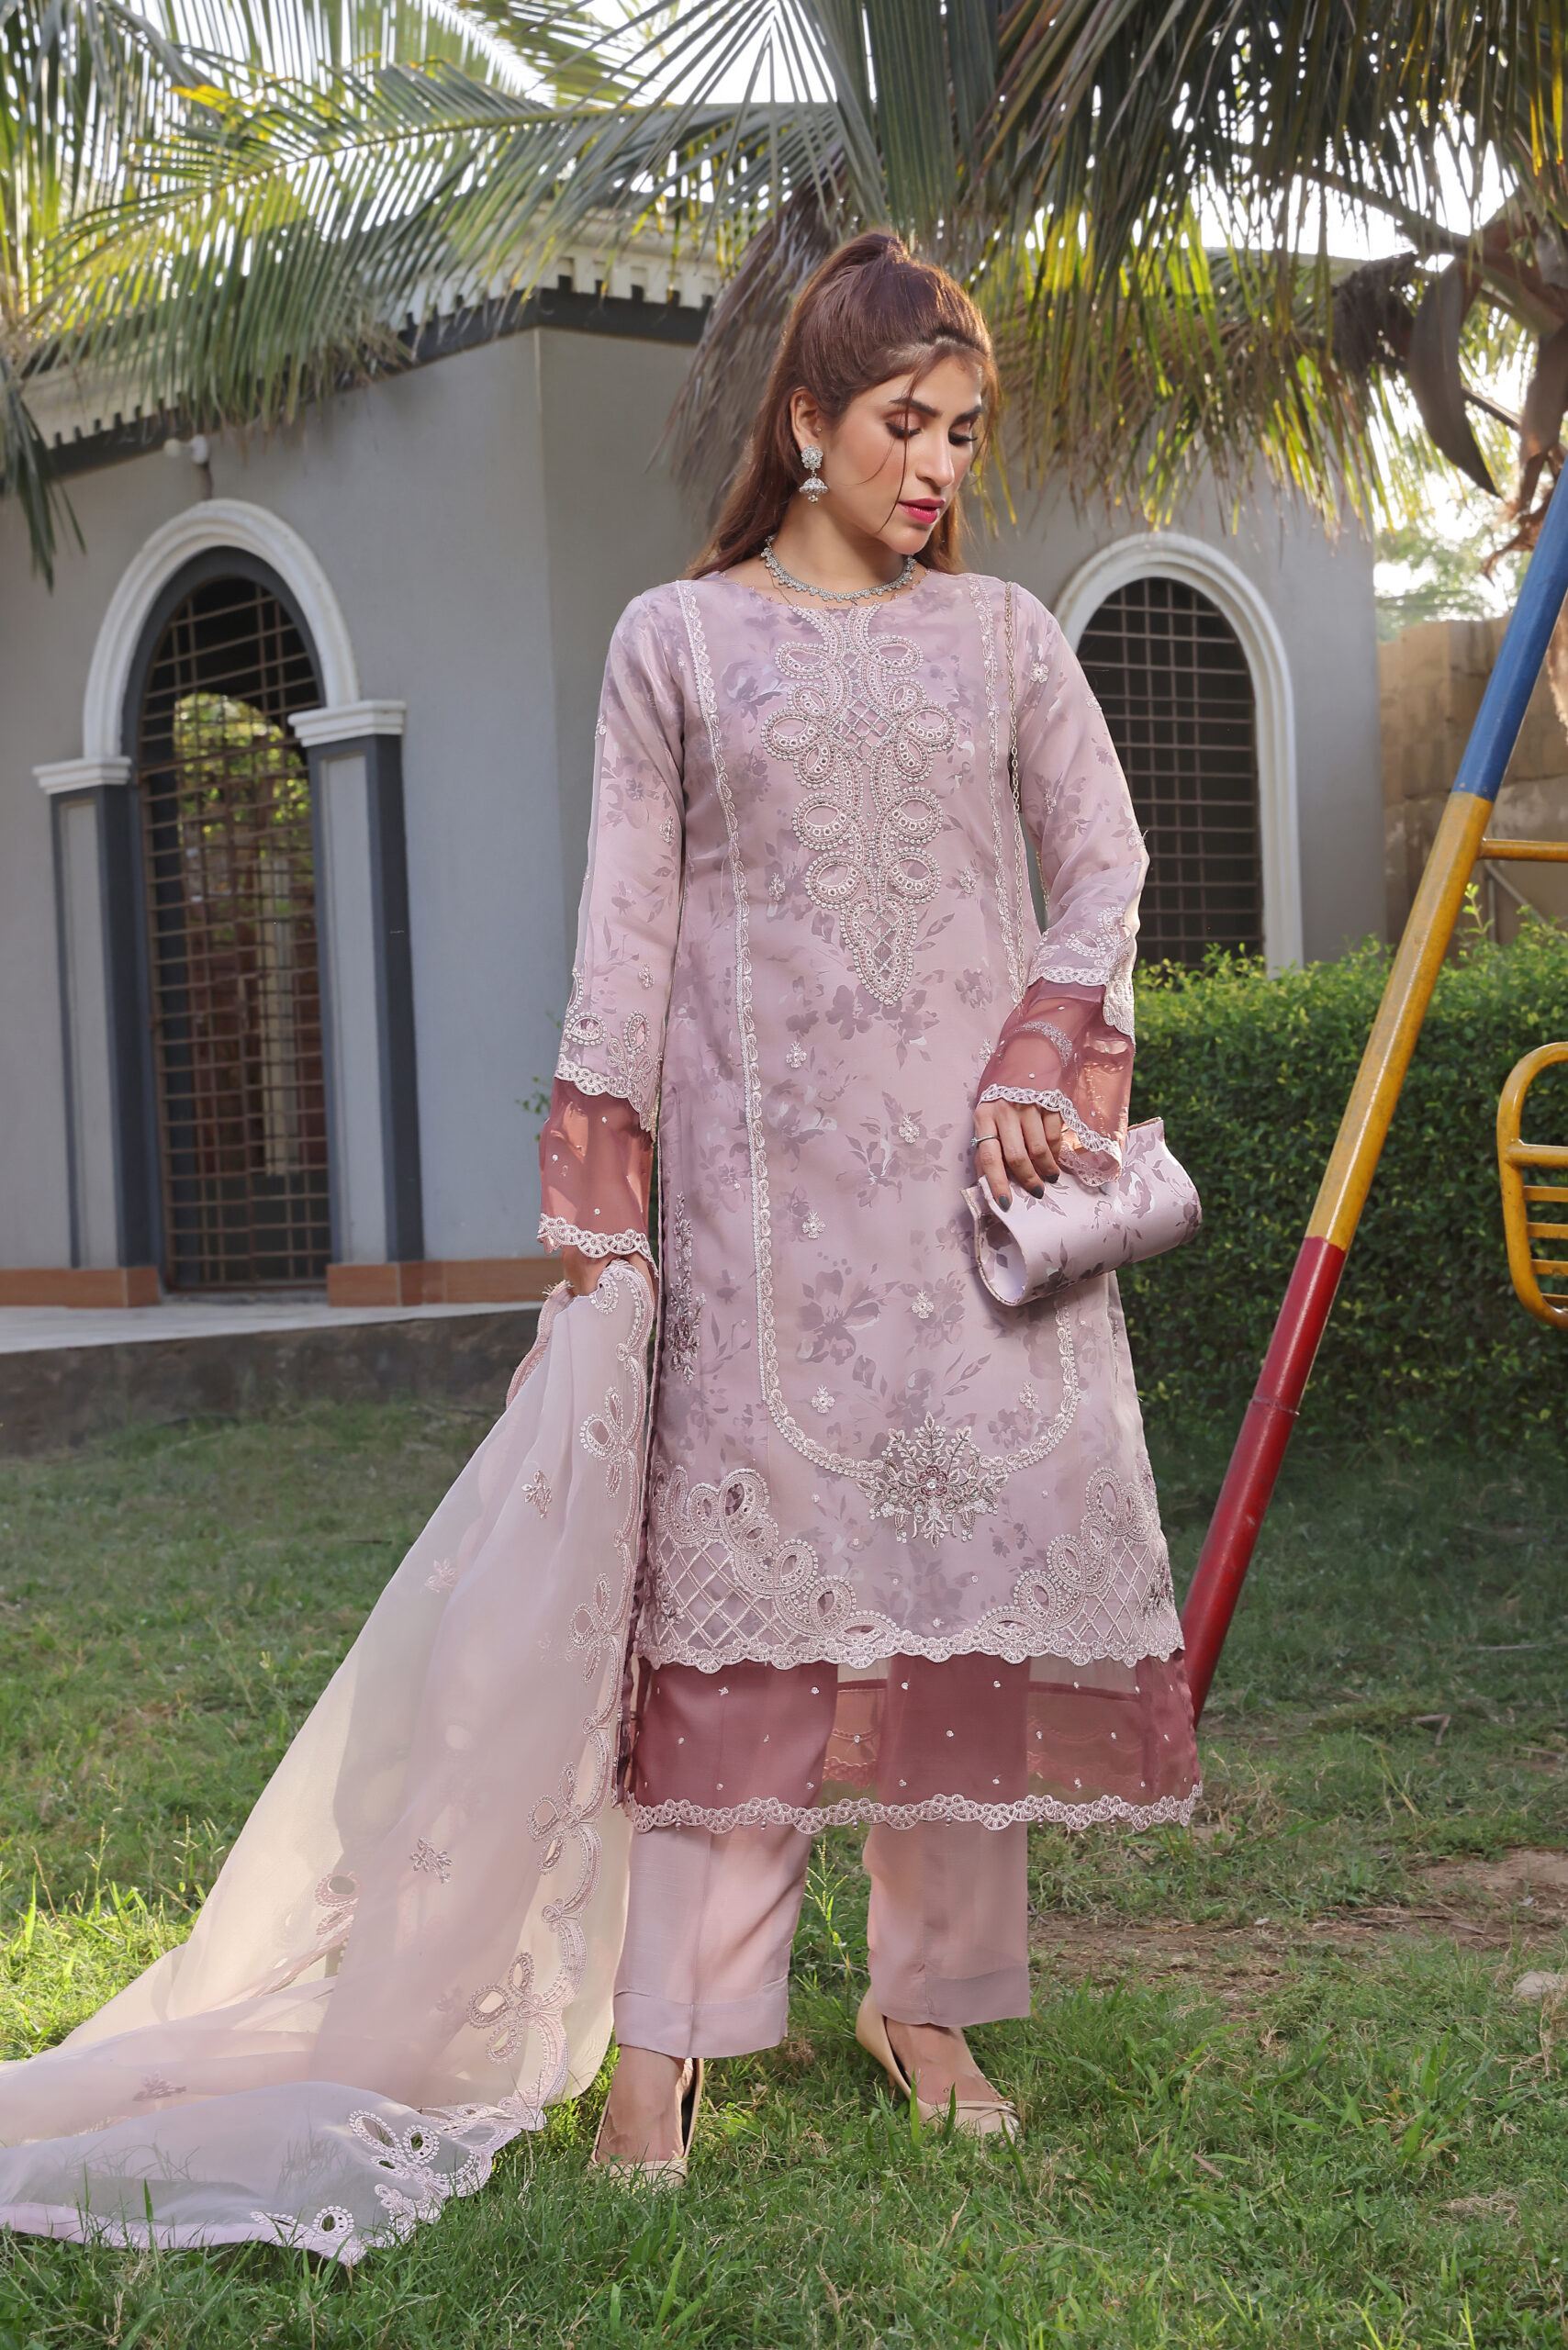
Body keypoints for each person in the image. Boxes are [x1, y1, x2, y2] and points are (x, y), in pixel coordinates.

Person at [538, 229, 1200, 2177]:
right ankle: (666, 2038)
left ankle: (928, 1997)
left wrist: (1039, 1057)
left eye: (963, 434)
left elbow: (1105, 865)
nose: (935, 467)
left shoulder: (1004, 638)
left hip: (973, 1200)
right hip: (763, 1219)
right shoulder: (675, 642)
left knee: (959, 1608)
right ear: (806, 419)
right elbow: (623, 936)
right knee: (742, 1626)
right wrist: (599, 1214)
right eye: (905, 424)